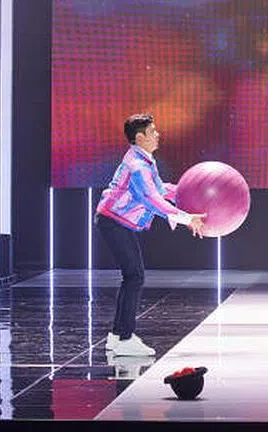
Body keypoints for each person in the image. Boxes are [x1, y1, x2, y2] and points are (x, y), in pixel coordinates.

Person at [95, 114, 205, 357]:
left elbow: (159, 189)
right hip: (113, 222)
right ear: (140, 137)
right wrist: (187, 218)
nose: (158, 134)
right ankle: (124, 338)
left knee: (132, 277)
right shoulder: (137, 166)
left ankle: (117, 336)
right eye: (153, 131)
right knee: (134, 277)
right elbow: (151, 198)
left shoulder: (144, 160)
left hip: (116, 222)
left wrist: (186, 191)